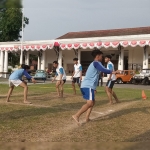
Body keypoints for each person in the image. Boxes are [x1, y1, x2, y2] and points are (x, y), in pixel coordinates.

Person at [72, 50, 118, 125]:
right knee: (90, 103)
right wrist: (113, 72)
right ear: (98, 56)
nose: (102, 57)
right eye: (101, 56)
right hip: (87, 86)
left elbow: (95, 76)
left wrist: (94, 88)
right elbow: (104, 70)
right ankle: (76, 115)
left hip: (89, 86)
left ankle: (87, 118)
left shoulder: (96, 64)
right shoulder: (96, 63)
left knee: (92, 102)